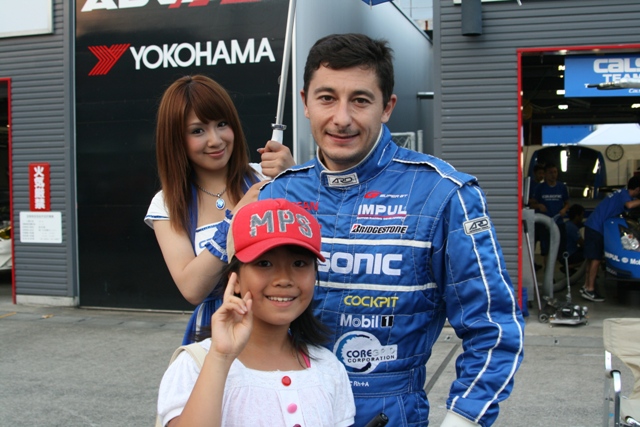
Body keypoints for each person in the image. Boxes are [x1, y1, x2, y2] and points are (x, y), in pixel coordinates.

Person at [257, 33, 524, 427]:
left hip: (387, 414)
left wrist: (463, 420)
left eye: (360, 100)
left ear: (387, 108)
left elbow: (495, 329)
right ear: (305, 103)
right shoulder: (278, 193)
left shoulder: (444, 195)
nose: (342, 118)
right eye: (327, 98)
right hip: (281, 408)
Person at [156, 198, 355, 427]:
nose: (284, 279)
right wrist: (220, 357)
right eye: (264, 264)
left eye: (299, 264)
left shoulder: (328, 367)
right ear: (235, 280)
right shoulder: (195, 365)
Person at [144, 75, 294, 344]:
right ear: (176, 138)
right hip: (218, 333)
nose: (215, 140)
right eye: (197, 131)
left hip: (281, 325)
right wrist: (236, 220)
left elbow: (315, 249)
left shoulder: (267, 178)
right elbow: (192, 288)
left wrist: (295, 180)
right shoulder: (167, 203)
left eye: (222, 124)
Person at [581, 176, 640, 302]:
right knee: (595, 259)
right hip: (596, 227)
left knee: (591, 258)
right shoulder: (624, 195)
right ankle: (590, 289)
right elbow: (629, 205)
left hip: (592, 225)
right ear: (637, 189)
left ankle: (586, 286)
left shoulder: (621, 193)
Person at [529, 163, 570, 262]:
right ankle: (547, 269)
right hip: (545, 223)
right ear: (546, 174)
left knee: (561, 250)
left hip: (558, 222)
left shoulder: (562, 187)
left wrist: (564, 209)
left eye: (555, 172)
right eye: (550, 173)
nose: (553, 175)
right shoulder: (539, 188)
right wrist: (539, 206)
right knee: (546, 250)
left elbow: (567, 203)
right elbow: (532, 204)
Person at [564, 203, 585, 270]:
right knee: (592, 255)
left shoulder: (568, 224)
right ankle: (571, 266)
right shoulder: (572, 228)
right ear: (577, 216)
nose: (582, 217)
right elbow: (582, 244)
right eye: (582, 215)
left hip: (565, 253)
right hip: (570, 255)